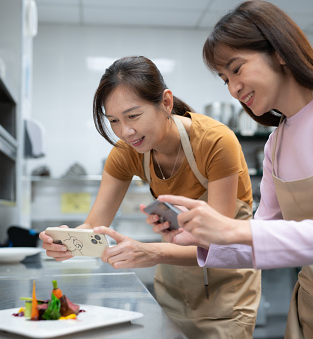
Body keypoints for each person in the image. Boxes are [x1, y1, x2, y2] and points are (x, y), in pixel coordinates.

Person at [151, 1, 313, 338]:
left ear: (278, 51)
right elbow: (264, 240)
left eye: (237, 69)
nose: (233, 88)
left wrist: (230, 230)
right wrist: (205, 239)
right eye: (224, 79)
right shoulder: (277, 143)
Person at [39, 55, 261, 338]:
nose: (126, 131)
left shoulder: (216, 142)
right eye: (114, 121)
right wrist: (70, 242)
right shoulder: (126, 153)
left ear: (166, 102)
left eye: (133, 116)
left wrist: (149, 252)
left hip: (227, 293)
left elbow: (221, 246)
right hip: (172, 288)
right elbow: (95, 226)